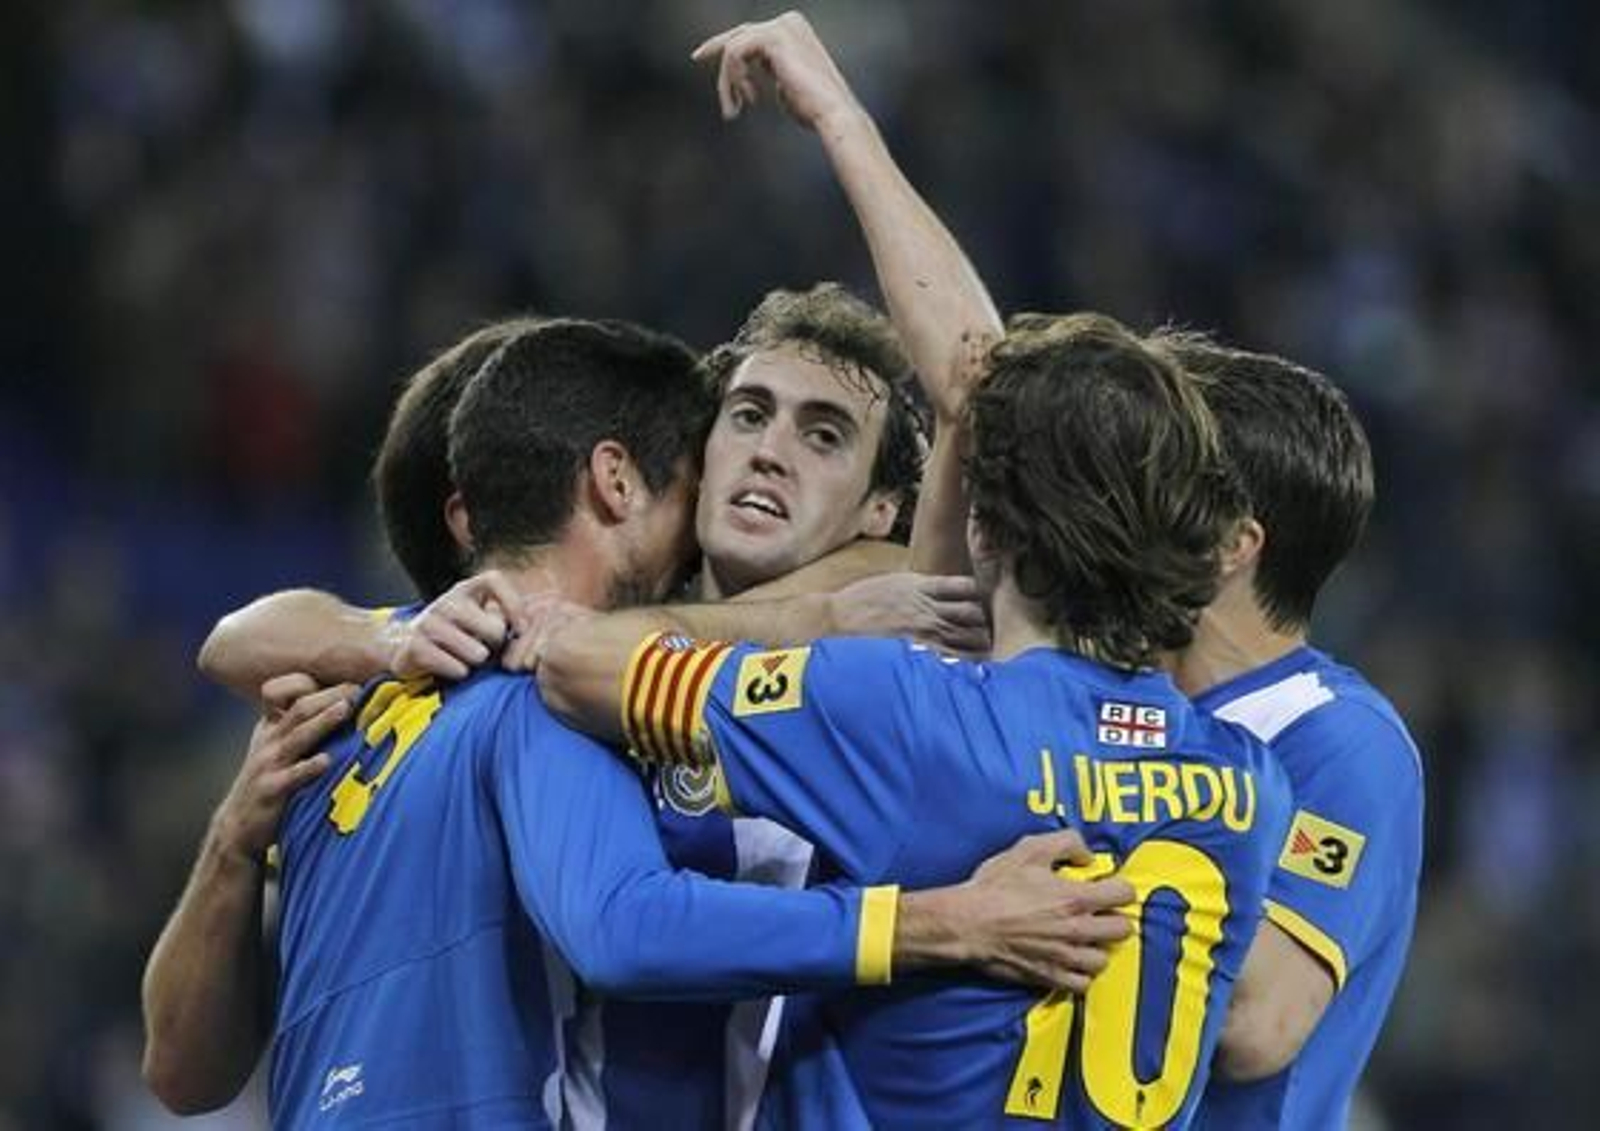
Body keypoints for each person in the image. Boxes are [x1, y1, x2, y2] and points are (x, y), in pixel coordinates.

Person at [142, 317, 1133, 1124]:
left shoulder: (362, 703)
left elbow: (182, 1076)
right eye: (732, 434)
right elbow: (624, 925)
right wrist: (947, 923)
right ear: (620, 480)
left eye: (820, 437)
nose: (762, 462)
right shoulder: (536, 686)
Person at [708, 15, 1423, 1126]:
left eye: (1151, 469)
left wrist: (1029, 849)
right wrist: (842, 119)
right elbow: (977, 383)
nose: (1101, 480)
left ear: (1230, 543)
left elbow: (1258, 1024)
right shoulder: (1080, 688)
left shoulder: (1333, 740)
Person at [528, 311, 1296, 1128]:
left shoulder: (903, 713)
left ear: (985, 526)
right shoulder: (1252, 782)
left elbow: (575, 662)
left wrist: (813, 616)